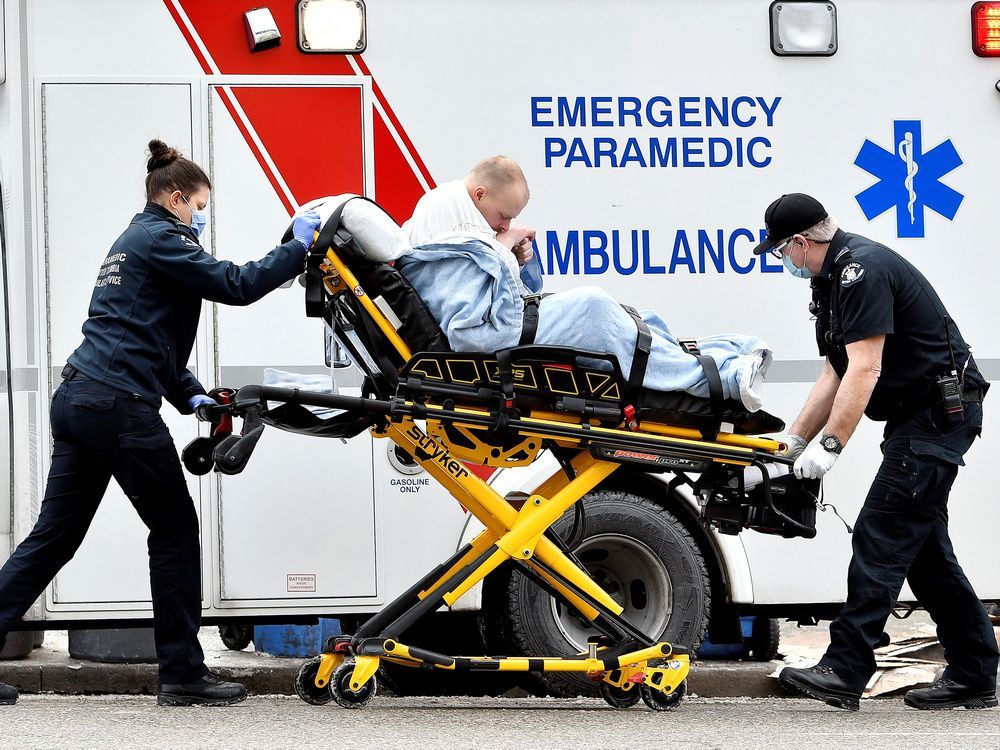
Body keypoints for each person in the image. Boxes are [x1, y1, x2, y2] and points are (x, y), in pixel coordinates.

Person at [0, 140, 322, 708]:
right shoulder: (162, 238)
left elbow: (147, 335)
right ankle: (182, 672)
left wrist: (194, 397)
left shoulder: (133, 242)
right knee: (174, 531)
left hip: (82, 397)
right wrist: (297, 250)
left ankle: (180, 669)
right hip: (116, 406)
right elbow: (236, 284)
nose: (202, 219)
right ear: (176, 199)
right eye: (200, 207)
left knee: (53, 539)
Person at [757, 193, 998, 711]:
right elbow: (835, 370)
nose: (784, 263)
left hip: (939, 415)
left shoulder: (860, 270)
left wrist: (830, 446)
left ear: (801, 243)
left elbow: (866, 368)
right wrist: (793, 441)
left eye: (781, 252)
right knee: (925, 551)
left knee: (881, 531)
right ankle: (976, 671)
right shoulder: (832, 280)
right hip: (922, 417)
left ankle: (846, 668)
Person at [399, 156, 771, 410]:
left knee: (633, 319)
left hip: (497, 326)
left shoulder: (457, 214)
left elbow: (472, 276)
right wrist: (505, 247)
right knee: (596, 311)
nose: (503, 225)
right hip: (485, 335)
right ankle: (720, 378)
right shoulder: (449, 211)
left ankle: (714, 356)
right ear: (480, 194)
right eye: (503, 216)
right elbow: (466, 319)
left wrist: (507, 253)